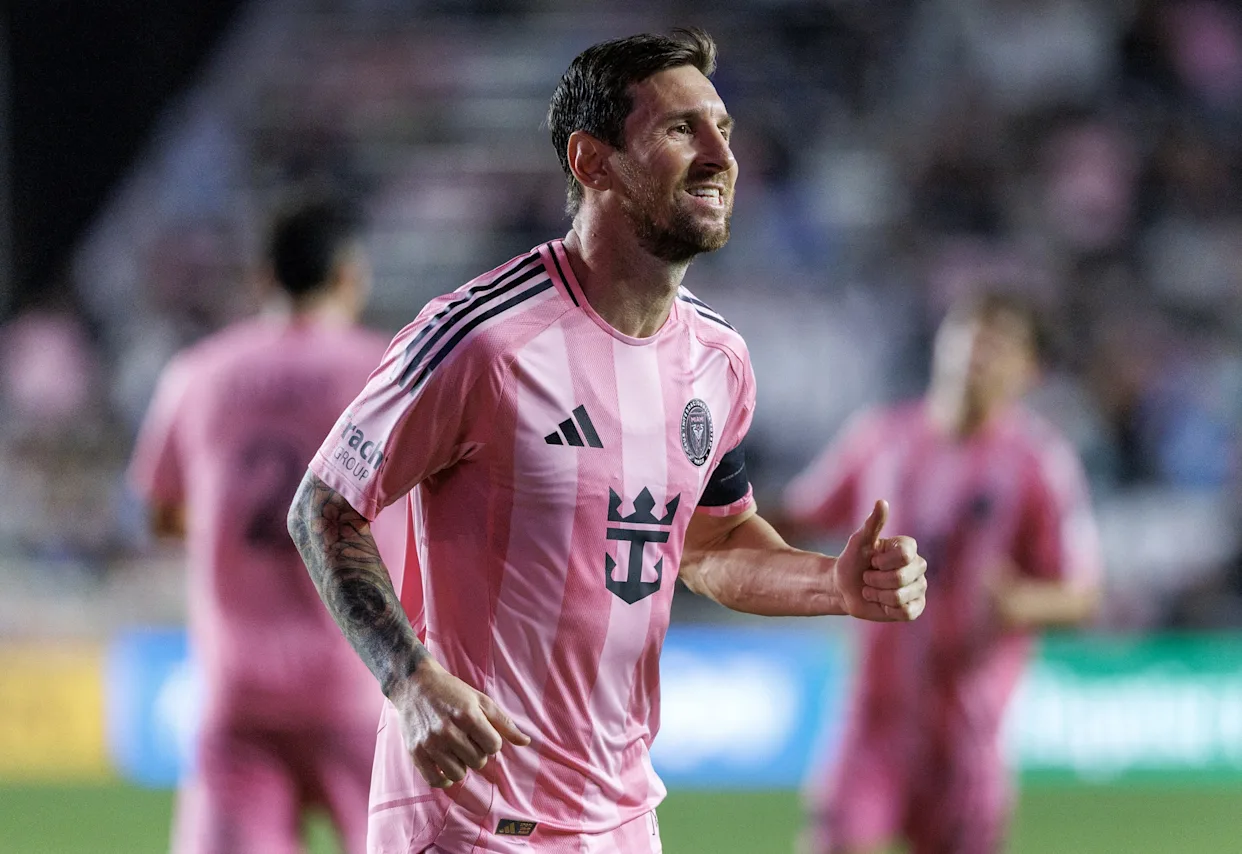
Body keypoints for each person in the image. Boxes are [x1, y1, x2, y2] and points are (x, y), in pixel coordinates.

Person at [287, 29, 928, 854]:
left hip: (622, 821)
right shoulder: (483, 340)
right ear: (592, 162)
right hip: (472, 821)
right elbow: (324, 506)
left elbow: (712, 544)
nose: (719, 155)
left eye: (723, 128)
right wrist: (409, 681)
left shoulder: (718, 360)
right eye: (680, 130)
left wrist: (832, 583)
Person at [783, 293, 1103, 854]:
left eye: (1000, 341)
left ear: (1030, 369)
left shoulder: (1038, 464)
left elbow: (1081, 594)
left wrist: (1021, 603)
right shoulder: (881, 438)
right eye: (968, 331)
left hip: (967, 733)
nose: (978, 349)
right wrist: (701, 514)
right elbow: (796, 517)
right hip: (875, 719)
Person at [129, 195, 400, 854]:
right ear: (349, 276)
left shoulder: (198, 373)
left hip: (238, 692)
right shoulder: (386, 372)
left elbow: (162, 513)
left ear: (263, 278)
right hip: (365, 681)